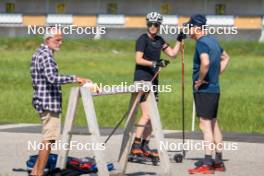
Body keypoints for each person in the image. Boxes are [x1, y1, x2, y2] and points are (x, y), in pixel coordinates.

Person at [30, 27, 90, 176]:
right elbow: (52, 78)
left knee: (48, 139)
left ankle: (34, 172)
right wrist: (75, 78)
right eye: (57, 40)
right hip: (48, 103)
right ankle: (39, 173)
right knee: (49, 140)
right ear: (47, 40)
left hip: (44, 101)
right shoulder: (46, 56)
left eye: (61, 39)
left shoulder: (39, 53)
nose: (60, 43)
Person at [130, 11, 186, 158]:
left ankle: (144, 144)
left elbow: (173, 54)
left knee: (153, 116)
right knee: (147, 114)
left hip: (153, 80)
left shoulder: (159, 40)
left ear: (159, 25)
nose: (153, 27)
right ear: (147, 24)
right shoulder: (142, 39)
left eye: (156, 24)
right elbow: (138, 59)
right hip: (142, 79)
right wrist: (155, 62)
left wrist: (179, 40)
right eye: (150, 24)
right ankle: (135, 145)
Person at [186, 14, 230, 174]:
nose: (188, 29)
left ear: (197, 28)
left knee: (204, 125)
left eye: (189, 27)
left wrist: (200, 80)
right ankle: (218, 161)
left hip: (204, 90)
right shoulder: (213, 41)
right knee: (213, 123)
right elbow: (226, 57)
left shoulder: (201, 43)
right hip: (215, 88)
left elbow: (205, 62)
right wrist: (216, 74)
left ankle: (207, 163)